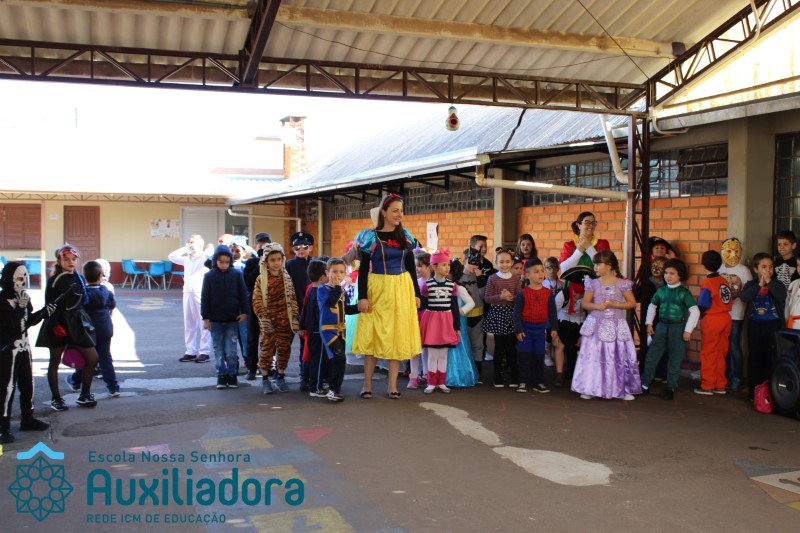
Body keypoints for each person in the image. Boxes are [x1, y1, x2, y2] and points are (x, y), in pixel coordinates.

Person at [353, 193, 422, 400]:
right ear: (384, 212)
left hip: (401, 288)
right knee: (372, 336)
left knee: (396, 335)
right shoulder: (370, 237)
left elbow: (410, 266)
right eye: (395, 211)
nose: (399, 215)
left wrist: (416, 294)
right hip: (378, 288)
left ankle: (392, 386)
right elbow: (363, 269)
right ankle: (367, 385)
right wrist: (362, 297)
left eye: (401, 211)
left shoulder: (405, 236)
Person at [35, 244, 100, 410]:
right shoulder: (54, 280)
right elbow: (49, 305)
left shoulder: (79, 277)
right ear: (59, 261)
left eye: (73, 259)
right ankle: (56, 398)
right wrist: (56, 325)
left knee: (92, 357)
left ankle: (85, 395)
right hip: (58, 323)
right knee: (54, 361)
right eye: (66, 260)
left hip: (77, 323)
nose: (71, 262)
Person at [571, 250, 641, 401]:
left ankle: (622, 388)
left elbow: (632, 303)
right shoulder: (592, 283)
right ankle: (589, 387)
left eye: (598, 264)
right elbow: (585, 303)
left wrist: (616, 304)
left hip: (616, 326)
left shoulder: (622, 284)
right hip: (596, 325)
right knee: (594, 356)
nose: (595, 267)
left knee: (617, 356)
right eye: (595, 264)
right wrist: (597, 306)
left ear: (609, 266)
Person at [559, 211, 610, 384]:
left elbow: (604, 265)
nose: (590, 225)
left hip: (596, 295)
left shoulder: (602, 243)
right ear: (578, 224)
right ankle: (572, 372)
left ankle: (591, 372)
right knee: (572, 336)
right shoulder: (569, 245)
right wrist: (579, 250)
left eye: (593, 222)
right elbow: (564, 269)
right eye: (586, 222)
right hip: (573, 294)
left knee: (592, 334)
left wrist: (589, 247)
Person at [0, 262, 49, 443]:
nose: (22, 282)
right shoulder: (2, 301)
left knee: (28, 383)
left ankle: (27, 418)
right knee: (7, 388)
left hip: (24, 348)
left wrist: (44, 313)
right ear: (9, 279)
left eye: (25, 278)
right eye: (19, 278)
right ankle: (3, 427)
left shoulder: (24, 298)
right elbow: (11, 326)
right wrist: (20, 308)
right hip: (7, 350)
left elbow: (27, 322)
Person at [639, 259, 700, 400]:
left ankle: (671, 387)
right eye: (666, 273)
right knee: (652, 355)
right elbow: (652, 306)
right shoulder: (661, 290)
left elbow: (695, 311)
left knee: (675, 359)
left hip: (678, 329)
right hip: (661, 326)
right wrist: (649, 323)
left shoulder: (684, 292)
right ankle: (644, 384)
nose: (668, 276)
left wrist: (688, 330)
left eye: (672, 273)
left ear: (680, 275)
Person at [66, 261, 120, 397]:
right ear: (100, 276)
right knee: (105, 357)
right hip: (105, 329)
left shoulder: (83, 293)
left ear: (84, 276)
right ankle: (113, 387)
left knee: (86, 358)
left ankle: (76, 381)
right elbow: (112, 305)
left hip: (87, 331)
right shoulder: (106, 291)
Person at [252, 242, 299, 394]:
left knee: (284, 348)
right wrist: (263, 317)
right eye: (272, 260)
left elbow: (292, 298)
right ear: (266, 261)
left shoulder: (287, 278)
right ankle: (265, 378)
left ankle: (281, 375)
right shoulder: (261, 279)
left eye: (279, 259)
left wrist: (294, 317)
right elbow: (257, 300)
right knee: (266, 349)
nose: (276, 263)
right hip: (268, 322)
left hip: (285, 321)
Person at [740, 253, 787, 401]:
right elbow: (744, 297)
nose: (768, 270)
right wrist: (759, 285)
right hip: (754, 325)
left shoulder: (777, 283)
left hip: (773, 325)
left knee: (770, 357)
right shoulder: (751, 284)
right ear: (756, 269)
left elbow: (781, 296)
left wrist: (769, 282)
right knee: (755, 356)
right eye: (764, 267)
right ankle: (754, 390)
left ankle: (769, 391)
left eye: (771, 267)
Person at [201, 244, 248, 390]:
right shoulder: (209, 276)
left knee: (231, 350)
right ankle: (221, 375)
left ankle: (232, 375)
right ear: (215, 261)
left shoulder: (236, 274)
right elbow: (205, 298)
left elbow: (243, 294)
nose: (224, 265)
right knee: (218, 350)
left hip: (232, 320)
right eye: (221, 262)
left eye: (227, 262)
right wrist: (206, 318)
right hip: (215, 321)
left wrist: (244, 312)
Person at [513, 258, 558, 393]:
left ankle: (538, 381)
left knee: (539, 356)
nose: (540, 274)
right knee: (524, 356)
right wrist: (518, 330)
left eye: (542, 271)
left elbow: (552, 312)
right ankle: (523, 381)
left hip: (540, 330)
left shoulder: (548, 293)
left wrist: (554, 328)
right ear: (527, 275)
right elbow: (517, 313)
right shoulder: (523, 293)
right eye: (536, 271)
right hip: (525, 330)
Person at [318, 258, 360, 402]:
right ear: (327, 273)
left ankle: (335, 389)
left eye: (341, 272)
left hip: (341, 330)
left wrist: (359, 309)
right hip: (328, 330)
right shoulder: (323, 289)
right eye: (334, 272)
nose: (338, 275)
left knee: (340, 360)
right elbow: (330, 303)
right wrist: (337, 287)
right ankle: (333, 390)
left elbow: (345, 309)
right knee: (338, 357)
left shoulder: (339, 290)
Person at [419, 249, 460, 394]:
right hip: (432, 321)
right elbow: (423, 305)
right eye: (443, 265)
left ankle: (441, 382)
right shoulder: (427, 285)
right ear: (434, 267)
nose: (447, 268)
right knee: (432, 354)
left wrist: (456, 326)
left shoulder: (452, 286)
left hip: (446, 322)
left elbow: (454, 307)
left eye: (448, 265)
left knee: (443, 354)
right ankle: (431, 383)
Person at [169, 235, 213, 363]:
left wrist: (205, 248)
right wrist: (186, 248)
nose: (191, 249)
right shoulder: (187, 260)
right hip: (187, 292)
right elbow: (172, 256)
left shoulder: (204, 258)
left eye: (193, 246)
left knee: (203, 322)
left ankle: (204, 351)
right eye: (189, 246)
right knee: (189, 323)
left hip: (200, 292)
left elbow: (210, 252)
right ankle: (190, 351)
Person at [694, 251, 733, 395]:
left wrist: (697, 315)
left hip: (712, 318)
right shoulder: (724, 280)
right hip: (726, 317)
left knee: (708, 352)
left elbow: (703, 304)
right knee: (721, 352)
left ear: (703, 264)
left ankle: (707, 385)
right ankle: (720, 385)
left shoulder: (708, 282)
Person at [483, 247, 521, 387]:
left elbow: (519, 297)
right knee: (499, 347)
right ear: (496, 262)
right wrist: (501, 297)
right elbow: (487, 298)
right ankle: (497, 376)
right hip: (498, 314)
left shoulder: (515, 279)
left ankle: (514, 377)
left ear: (512, 263)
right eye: (501, 262)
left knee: (511, 347)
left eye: (507, 262)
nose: (504, 265)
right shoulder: (492, 278)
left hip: (511, 314)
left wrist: (512, 298)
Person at [718, 238, 751, 391]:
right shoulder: (719, 269)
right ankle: (726, 375)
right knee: (723, 347)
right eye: (728, 250)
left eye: (735, 251)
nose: (732, 254)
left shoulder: (744, 270)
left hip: (736, 314)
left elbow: (749, 291)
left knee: (734, 346)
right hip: (721, 314)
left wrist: (737, 294)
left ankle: (737, 377)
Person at [243, 232, 272, 380]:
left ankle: (268, 366)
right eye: (260, 246)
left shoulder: (274, 262)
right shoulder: (250, 263)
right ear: (255, 247)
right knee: (252, 338)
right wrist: (260, 264)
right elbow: (248, 283)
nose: (262, 249)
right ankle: (252, 368)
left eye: (266, 246)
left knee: (269, 338)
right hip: (254, 304)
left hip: (270, 305)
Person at [445, 257, 478, 388]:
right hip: (447, 320)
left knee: (459, 347)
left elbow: (471, 303)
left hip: (457, 320)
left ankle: (458, 376)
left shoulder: (458, 287)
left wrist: (461, 311)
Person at [300, 259, 328, 397]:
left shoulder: (311, 289)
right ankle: (315, 387)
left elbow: (304, 310)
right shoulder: (319, 292)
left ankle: (315, 384)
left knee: (315, 358)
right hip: (318, 330)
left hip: (312, 329)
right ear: (322, 276)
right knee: (318, 359)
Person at [459, 248, 487, 383]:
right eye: (471, 263)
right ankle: (466, 372)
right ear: (464, 260)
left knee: (478, 345)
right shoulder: (457, 277)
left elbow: (484, 296)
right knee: (464, 345)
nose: (474, 266)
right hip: (463, 317)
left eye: (477, 263)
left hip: (478, 316)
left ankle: (478, 373)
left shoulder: (480, 277)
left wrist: (480, 279)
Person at [407, 249, 431, 389]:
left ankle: (427, 374)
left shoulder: (433, 282)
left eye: (420, 266)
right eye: (415, 266)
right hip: (416, 317)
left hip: (428, 317)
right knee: (415, 347)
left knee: (427, 346)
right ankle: (414, 376)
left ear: (428, 266)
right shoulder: (414, 282)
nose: (417, 269)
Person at [542, 257, 565, 386]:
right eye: (548, 268)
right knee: (547, 333)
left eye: (554, 267)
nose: (551, 270)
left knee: (554, 333)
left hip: (557, 314)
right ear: (545, 269)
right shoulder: (543, 284)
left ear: (558, 269)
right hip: (545, 313)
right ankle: (547, 355)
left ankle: (555, 355)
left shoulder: (561, 284)